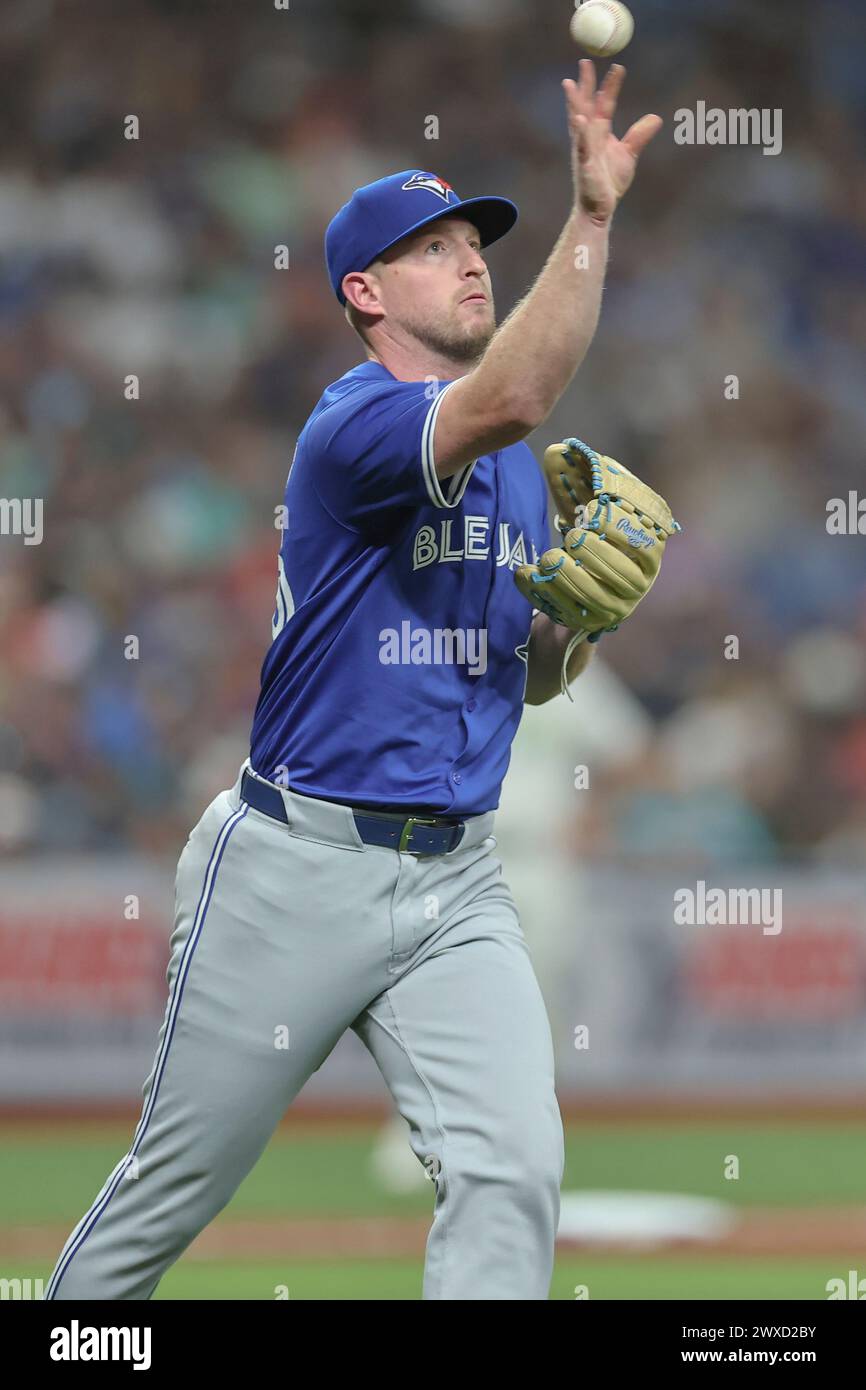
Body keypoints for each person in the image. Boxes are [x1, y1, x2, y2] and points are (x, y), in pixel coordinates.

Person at [46, 61, 661, 1302]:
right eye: (433, 247)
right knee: (175, 1185)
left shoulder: (511, 471)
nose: (472, 259)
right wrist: (589, 219)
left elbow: (521, 674)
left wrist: (573, 629)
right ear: (365, 291)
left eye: (474, 239)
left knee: (513, 1168)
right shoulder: (358, 425)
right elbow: (520, 391)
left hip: (458, 878)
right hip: (294, 868)